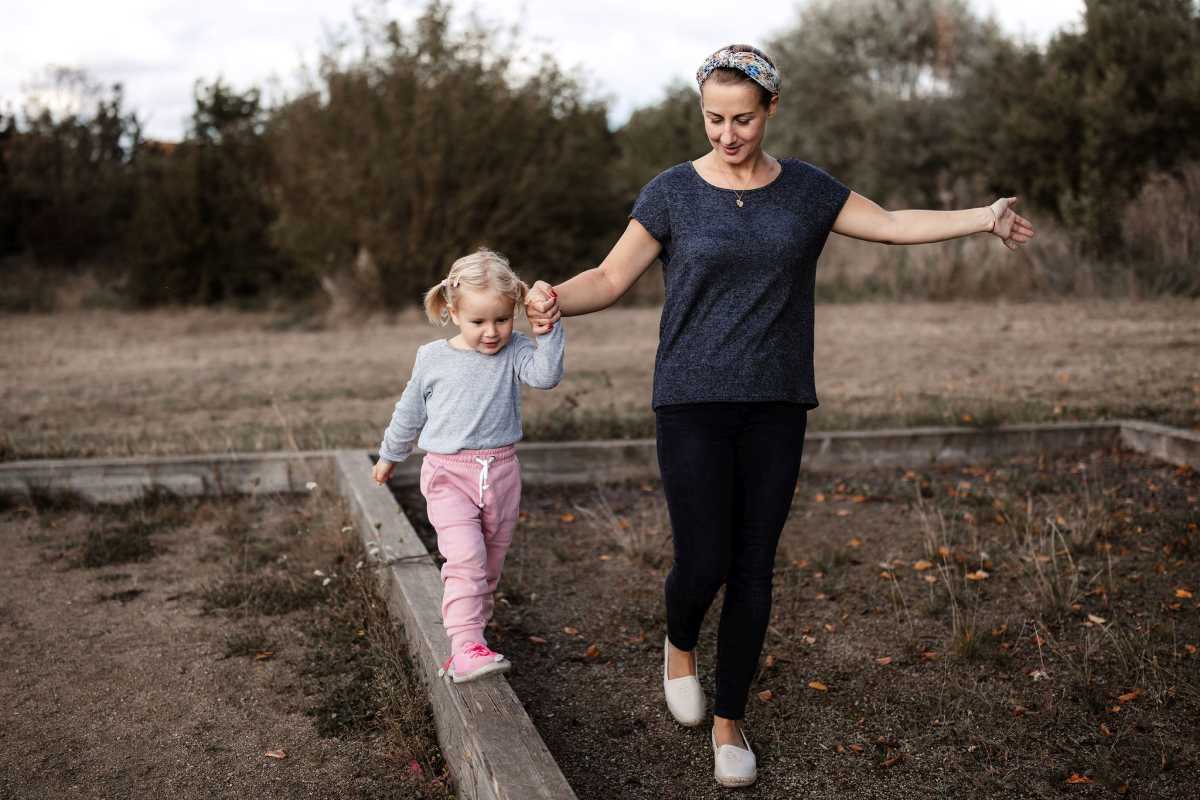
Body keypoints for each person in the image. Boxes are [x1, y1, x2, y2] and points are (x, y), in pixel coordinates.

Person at [524, 44, 1034, 787]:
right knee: (703, 561)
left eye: (742, 119)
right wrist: (552, 297)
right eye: (713, 119)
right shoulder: (671, 192)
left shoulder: (805, 191)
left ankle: (729, 721)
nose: (727, 135)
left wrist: (982, 217)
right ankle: (678, 644)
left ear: (770, 112)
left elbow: (892, 224)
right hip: (691, 400)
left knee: (754, 566)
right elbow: (608, 276)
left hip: (777, 402)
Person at [373, 248, 565, 683]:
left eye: (502, 319)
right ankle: (463, 649)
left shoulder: (516, 349)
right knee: (466, 560)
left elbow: (547, 376)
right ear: (453, 311)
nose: (492, 332)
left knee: (488, 567)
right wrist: (389, 454)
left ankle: (474, 636)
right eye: (478, 322)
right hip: (448, 475)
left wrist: (546, 331)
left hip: (501, 474)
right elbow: (409, 412)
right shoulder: (433, 358)